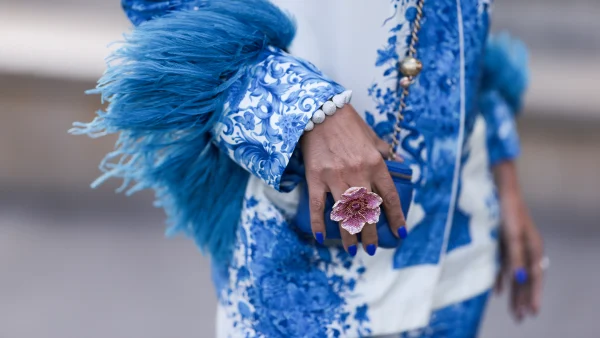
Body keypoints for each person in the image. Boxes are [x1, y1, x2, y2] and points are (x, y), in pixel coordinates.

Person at [72, 0, 545, 336]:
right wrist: (304, 110)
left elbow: (463, 27)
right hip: (300, 261)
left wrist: (504, 168)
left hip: (458, 247)